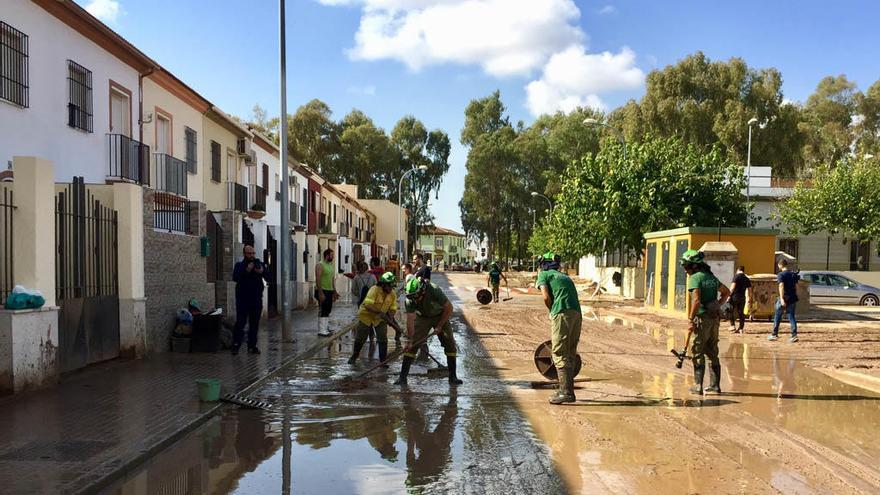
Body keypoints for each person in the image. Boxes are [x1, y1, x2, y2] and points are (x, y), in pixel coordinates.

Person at [395, 277, 461, 387]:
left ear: (423, 290)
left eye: (416, 297)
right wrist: (410, 340)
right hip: (423, 317)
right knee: (412, 345)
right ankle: (402, 377)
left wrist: (440, 326)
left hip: (440, 315)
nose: (414, 300)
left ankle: (453, 376)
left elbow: (449, 308)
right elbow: (410, 320)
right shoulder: (410, 299)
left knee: (449, 343)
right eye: (412, 298)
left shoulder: (434, 290)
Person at [681, 250, 731, 395]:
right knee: (712, 350)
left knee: (697, 351)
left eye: (686, 266)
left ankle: (698, 386)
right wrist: (717, 304)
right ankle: (715, 386)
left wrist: (690, 319)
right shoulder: (711, 277)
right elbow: (726, 292)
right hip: (714, 319)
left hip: (702, 319)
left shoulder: (695, 278)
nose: (685, 269)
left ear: (694, 266)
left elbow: (696, 300)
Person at [536, 252, 582, 405]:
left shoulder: (544, 274)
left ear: (544, 263)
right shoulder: (566, 277)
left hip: (561, 312)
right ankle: (567, 390)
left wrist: (552, 310)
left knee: (559, 351)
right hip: (576, 314)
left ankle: (566, 392)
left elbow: (545, 297)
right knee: (570, 350)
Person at [349, 272, 400, 365]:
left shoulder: (392, 294)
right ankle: (354, 356)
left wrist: (390, 318)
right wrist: (380, 312)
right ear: (384, 284)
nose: (391, 289)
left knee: (383, 339)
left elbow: (393, 308)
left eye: (392, 287)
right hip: (366, 316)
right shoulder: (374, 290)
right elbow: (368, 305)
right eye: (389, 286)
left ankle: (383, 360)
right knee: (361, 337)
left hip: (380, 319)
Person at [231, 245, 268, 355]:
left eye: (253, 253)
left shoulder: (259, 264)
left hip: (256, 299)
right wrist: (247, 270)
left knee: (254, 324)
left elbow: (269, 277)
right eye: (249, 254)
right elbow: (235, 278)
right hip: (243, 299)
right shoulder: (239, 265)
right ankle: (236, 345)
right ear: (244, 254)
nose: (251, 256)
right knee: (240, 322)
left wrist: (262, 271)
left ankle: (252, 346)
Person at [769, 259, 799, 343]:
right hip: (792, 298)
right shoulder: (793, 274)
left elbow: (781, 286)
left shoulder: (781, 274)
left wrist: (782, 299)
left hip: (784, 297)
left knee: (778, 316)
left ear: (780, 265)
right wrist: (795, 295)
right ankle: (794, 335)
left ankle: (774, 334)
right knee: (791, 316)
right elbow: (796, 287)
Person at [315, 248, 339, 337]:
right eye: (332, 255)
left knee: (328, 309)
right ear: (327, 255)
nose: (333, 257)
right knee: (323, 309)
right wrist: (320, 293)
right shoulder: (320, 265)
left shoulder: (330, 266)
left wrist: (334, 291)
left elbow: (332, 280)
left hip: (329, 291)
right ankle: (321, 330)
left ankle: (325, 327)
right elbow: (318, 279)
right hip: (322, 290)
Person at [728, 266, 752, 333]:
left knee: (730, 310)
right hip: (742, 298)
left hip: (734, 297)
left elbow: (732, 287)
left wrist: (729, 295)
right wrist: (749, 298)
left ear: (737, 270)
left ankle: (732, 326)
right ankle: (741, 328)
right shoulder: (746, 278)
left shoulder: (736, 277)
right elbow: (749, 290)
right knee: (741, 313)